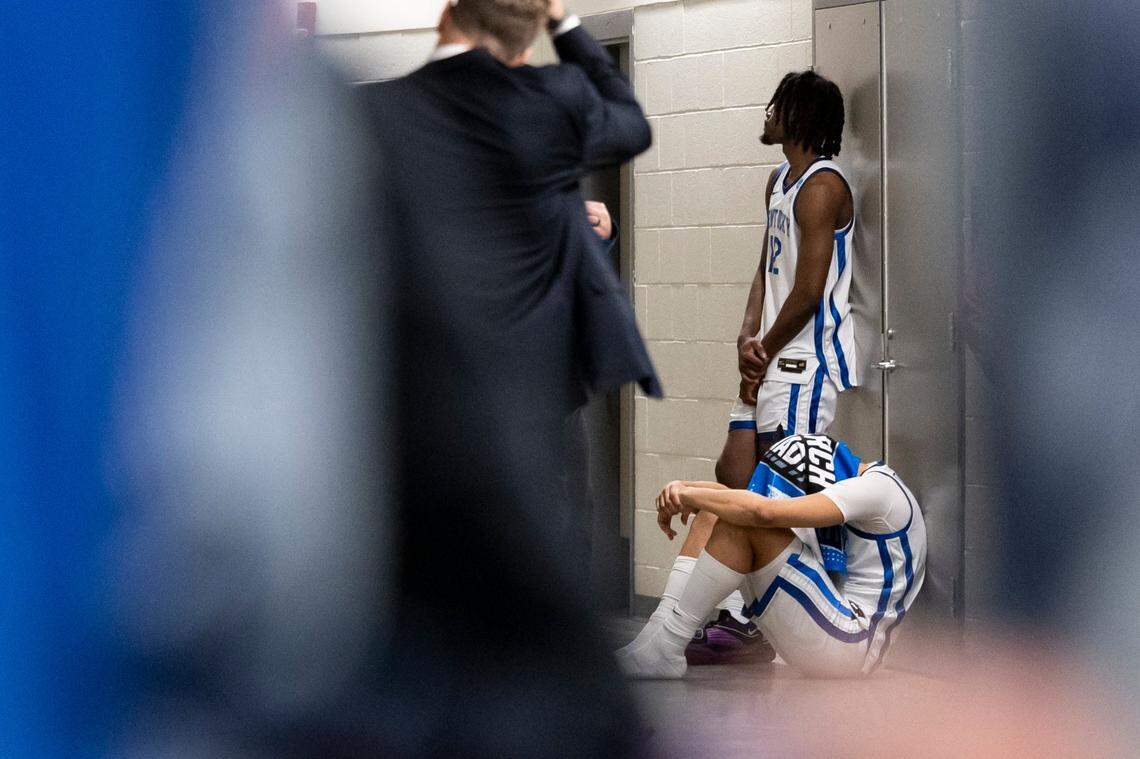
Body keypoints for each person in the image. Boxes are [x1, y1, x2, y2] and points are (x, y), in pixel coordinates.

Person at [360, 1, 659, 754]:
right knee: (556, 535)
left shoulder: (379, 113)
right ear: (527, 38)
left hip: (435, 391)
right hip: (539, 382)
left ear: (449, 15)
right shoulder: (549, 107)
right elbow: (627, 117)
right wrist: (566, 25)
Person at [667, 71, 858, 663]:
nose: (767, 112)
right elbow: (765, 269)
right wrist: (749, 333)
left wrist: (767, 345)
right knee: (742, 483)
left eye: (776, 105)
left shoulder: (824, 186)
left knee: (782, 499)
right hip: (775, 354)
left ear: (797, 116)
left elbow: (809, 287)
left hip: (806, 364)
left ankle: (790, 625)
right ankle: (742, 621)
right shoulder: (779, 180)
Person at [617, 434, 926, 679]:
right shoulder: (837, 475)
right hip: (832, 637)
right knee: (714, 513)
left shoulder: (878, 491)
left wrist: (688, 494)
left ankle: (667, 645)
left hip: (853, 646)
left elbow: (762, 511)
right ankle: (657, 640)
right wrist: (682, 489)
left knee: (744, 523)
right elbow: (748, 500)